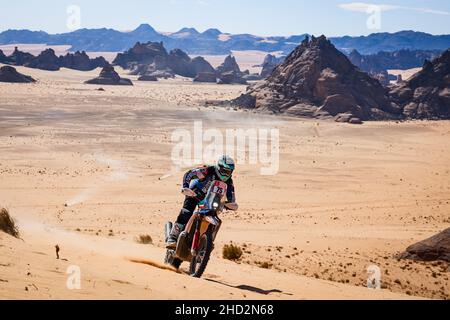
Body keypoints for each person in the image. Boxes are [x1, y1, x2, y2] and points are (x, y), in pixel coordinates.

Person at [166, 155, 238, 249]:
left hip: (211, 202)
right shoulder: (207, 170)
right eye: (225, 171)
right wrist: (185, 187)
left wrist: (230, 204)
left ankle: (207, 243)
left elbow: (231, 197)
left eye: (229, 171)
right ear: (219, 167)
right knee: (186, 212)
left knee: (214, 218)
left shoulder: (229, 182)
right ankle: (173, 236)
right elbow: (189, 174)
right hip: (195, 193)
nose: (227, 174)